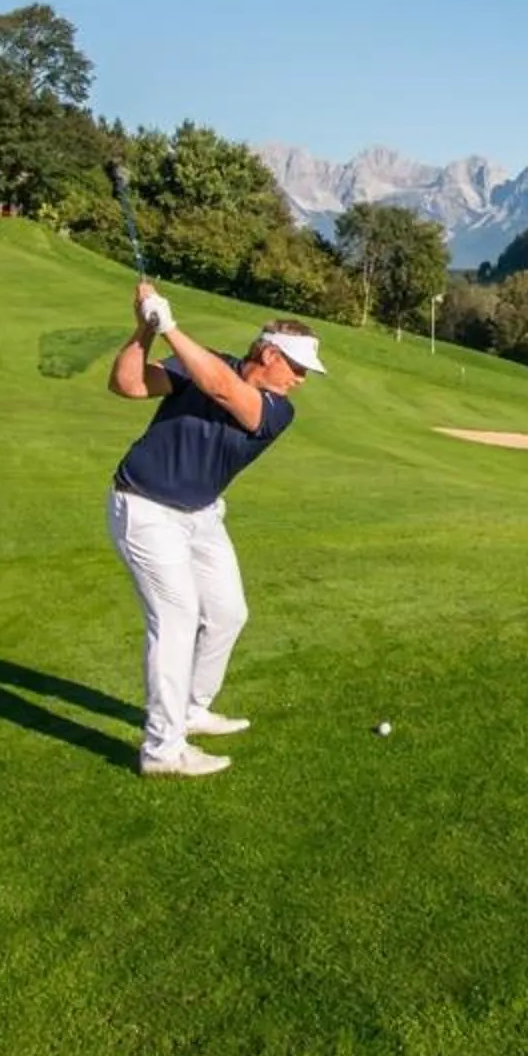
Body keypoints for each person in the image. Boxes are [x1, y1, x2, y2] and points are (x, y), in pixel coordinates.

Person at [105, 279, 325, 778]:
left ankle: (190, 709)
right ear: (268, 353)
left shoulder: (277, 411)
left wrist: (172, 327)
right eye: (296, 367)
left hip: (202, 514)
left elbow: (226, 391)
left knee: (228, 613)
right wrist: (145, 328)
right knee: (177, 621)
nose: (301, 379)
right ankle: (162, 751)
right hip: (144, 507)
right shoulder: (205, 365)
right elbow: (128, 385)